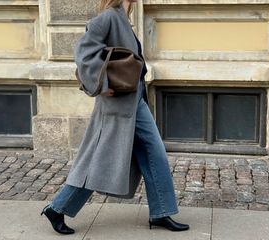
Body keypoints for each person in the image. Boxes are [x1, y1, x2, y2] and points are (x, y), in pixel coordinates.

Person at [41, 0, 189, 235]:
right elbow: (83, 52)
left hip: (134, 101)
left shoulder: (123, 19)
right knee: (99, 161)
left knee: (152, 151)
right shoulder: (108, 17)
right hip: (117, 104)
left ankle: (161, 212)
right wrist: (102, 85)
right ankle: (57, 208)